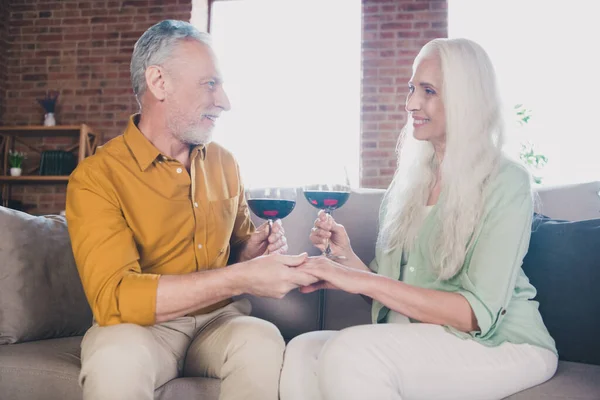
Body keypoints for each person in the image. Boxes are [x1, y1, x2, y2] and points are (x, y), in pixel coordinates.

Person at [279, 38, 558, 400]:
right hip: (422, 335)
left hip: (501, 343)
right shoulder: (409, 184)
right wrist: (346, 261)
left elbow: (474, 315)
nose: (411, 104)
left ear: (465, 100)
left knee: (351, 353)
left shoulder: (507, 182)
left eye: (428, 91)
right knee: (303, 350)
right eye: (412, 89)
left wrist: (358, 280)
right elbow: (394, 291)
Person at [66, 20, 317, 400]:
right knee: (115, 361)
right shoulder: (96, 177)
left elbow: (236, 248)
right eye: (209, 84)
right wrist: (242, 277)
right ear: (159, 82)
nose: (225, 101)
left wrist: (250, 253)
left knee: (262, 340)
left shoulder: (225, 163)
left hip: (219, 322)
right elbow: (115, 298)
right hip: (142, 329)